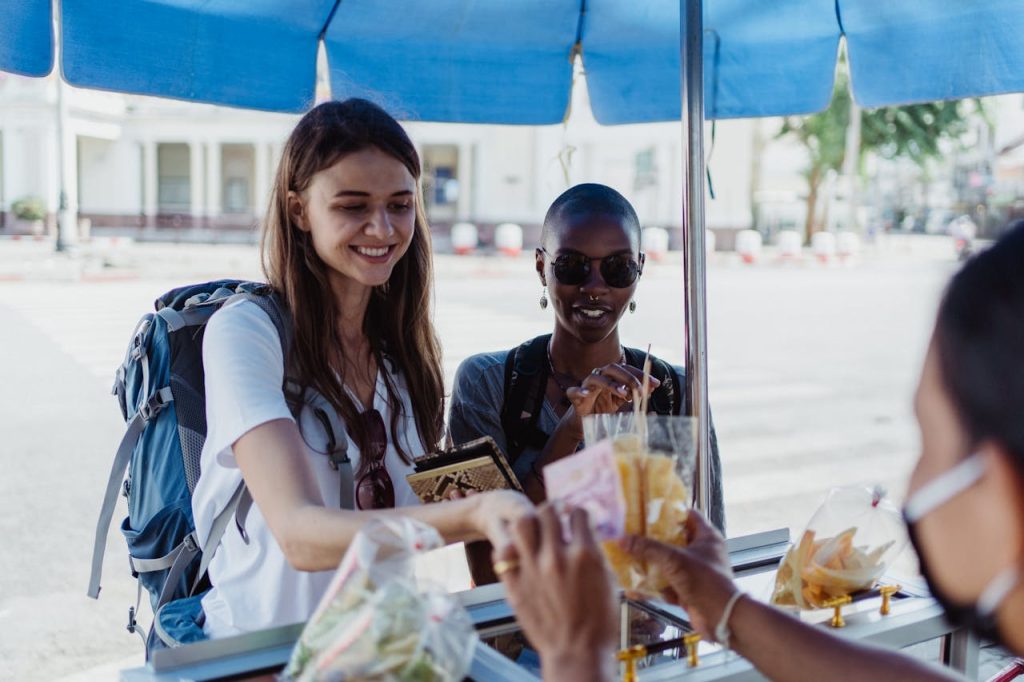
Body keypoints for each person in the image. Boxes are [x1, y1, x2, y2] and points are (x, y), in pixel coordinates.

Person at [495, 220, 1024, 681]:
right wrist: (725, 610)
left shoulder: (674, 388)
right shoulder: (494, 379)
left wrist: (575, 653)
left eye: (930, 440)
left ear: (1000, 487)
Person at [190, 99, 530, 638]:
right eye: (353, 206)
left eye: (400, 204)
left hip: (380, 655)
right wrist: (473, 515)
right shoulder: (247, 331)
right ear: (299, 210)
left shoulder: (403, 356)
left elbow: (406, 512)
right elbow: (300, 535)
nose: (383, 227)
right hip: (263, 658)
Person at [448, 183, 724, 531]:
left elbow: (713, 547)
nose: (594, 287)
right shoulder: (486, 383)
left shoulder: (678, 392)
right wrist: (572, 430)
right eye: (572, 265)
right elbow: (486, 555)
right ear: (540, 266)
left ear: (640, 268)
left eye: (618, 267)